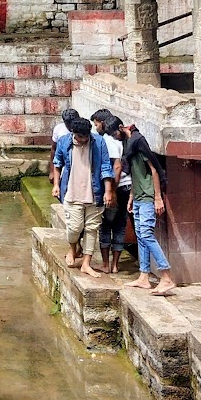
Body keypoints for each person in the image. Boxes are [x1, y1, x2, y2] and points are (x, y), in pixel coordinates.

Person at [52, 117, 114, 279]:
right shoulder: (65, 141)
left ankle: (86, 263)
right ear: (74, 133)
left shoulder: (98, 142)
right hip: (72, 193)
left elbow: (106, 167)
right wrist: (56, 185)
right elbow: (57, 163)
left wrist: (108, 191)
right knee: (74, 228)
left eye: (86, 136)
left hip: (95, 193)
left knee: (92, 229)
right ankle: (73, 248)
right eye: (80, 137)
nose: (84, 140)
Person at [122, 126, 175, 295]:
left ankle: (166, 277)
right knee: (140, 235)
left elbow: (154, 170)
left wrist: (158, 197)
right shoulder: (129, 147)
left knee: (146, 234)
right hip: (137, 196)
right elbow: (135, 175)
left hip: (147, 198)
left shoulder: (139, 145)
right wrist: (131, 196)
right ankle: (144, 276)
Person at [91, 111, 128, 274]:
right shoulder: (121, 139)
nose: (95, 127)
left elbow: (117, 166)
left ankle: (107, 264)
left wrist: (111, 191)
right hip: (126, 186)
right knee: (120, 225)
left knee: (106, 225)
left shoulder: (107, 140)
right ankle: (115, 265)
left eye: (96, 124)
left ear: (102, 123)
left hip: (116, 188)